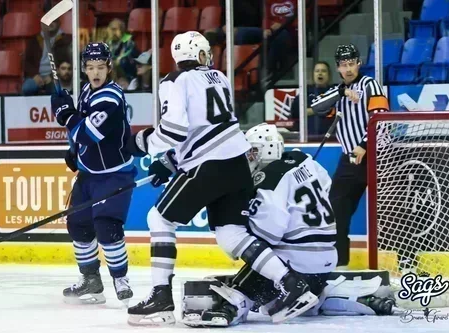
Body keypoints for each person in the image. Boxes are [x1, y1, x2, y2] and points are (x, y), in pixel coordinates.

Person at [125, 31, 318, 326]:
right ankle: (291, 284)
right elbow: (206, 129)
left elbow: (175, 131)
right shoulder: (220, 77)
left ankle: (161, 298)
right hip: (237, 164)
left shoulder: (174, 81)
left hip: (209, 165)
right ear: (202, 56)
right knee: (233, 234)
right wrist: (171, 160)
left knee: (159, 219)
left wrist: (140, 143)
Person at [179, 124, 396, 327]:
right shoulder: (304, 159)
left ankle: (232, 306)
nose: (250, 156)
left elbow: (268, 235)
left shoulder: (269, 180)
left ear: (269, 149)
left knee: (251, 261)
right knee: (311, 300)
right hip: (327, 259)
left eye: (254, 151)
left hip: (299, 262)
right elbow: (326, 185)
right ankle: (357, 299)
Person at [50, 42, 137, 306]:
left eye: (100, 67)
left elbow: (88, 133)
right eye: (90, 67)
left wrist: (65, 114)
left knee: (107, 225)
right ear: (85, 70)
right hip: (89, 175)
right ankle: (91, 279)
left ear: (109, 67)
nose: (96, 72)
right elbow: (80, 132)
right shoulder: (88, 90)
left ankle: (120, 279)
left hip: (115, 175)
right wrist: (73, 152)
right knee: (78, 224)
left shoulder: (110, 98)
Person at [310, 44, 389, 269]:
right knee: (336, 213)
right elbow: (316, 107)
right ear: (338, 68)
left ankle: (407, 261)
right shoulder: (339, 93)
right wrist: (342, 91)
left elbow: (381, 119)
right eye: (343, 65)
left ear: (359, 63)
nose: (348, 69)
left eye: (351, 63)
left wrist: (364, 144)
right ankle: (340, 264)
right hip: (349, 161)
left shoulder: (370, 85)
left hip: (376, 158)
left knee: (391, 212)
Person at [23, 17, 71, 96]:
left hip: (55, 77)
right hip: (37, 77)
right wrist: (35, 75)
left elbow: (66, 63)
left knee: (56, 88)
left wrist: (51, 76)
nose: (50, 23)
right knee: (28, 87)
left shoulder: (66, 40)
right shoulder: (34, 40)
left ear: (59, 23)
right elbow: (27, 62)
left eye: (53, 21)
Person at [290, 61, 336, 137]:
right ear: (313, 75)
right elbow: (297, 112)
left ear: (329, 75)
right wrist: (320, 109)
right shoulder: (305, 92)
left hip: (331, 137)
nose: (320, 73)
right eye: (317, 71)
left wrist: (311, 110)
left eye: (323, 71)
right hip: (309, 137)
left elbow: (335, 111)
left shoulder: (334, 92)